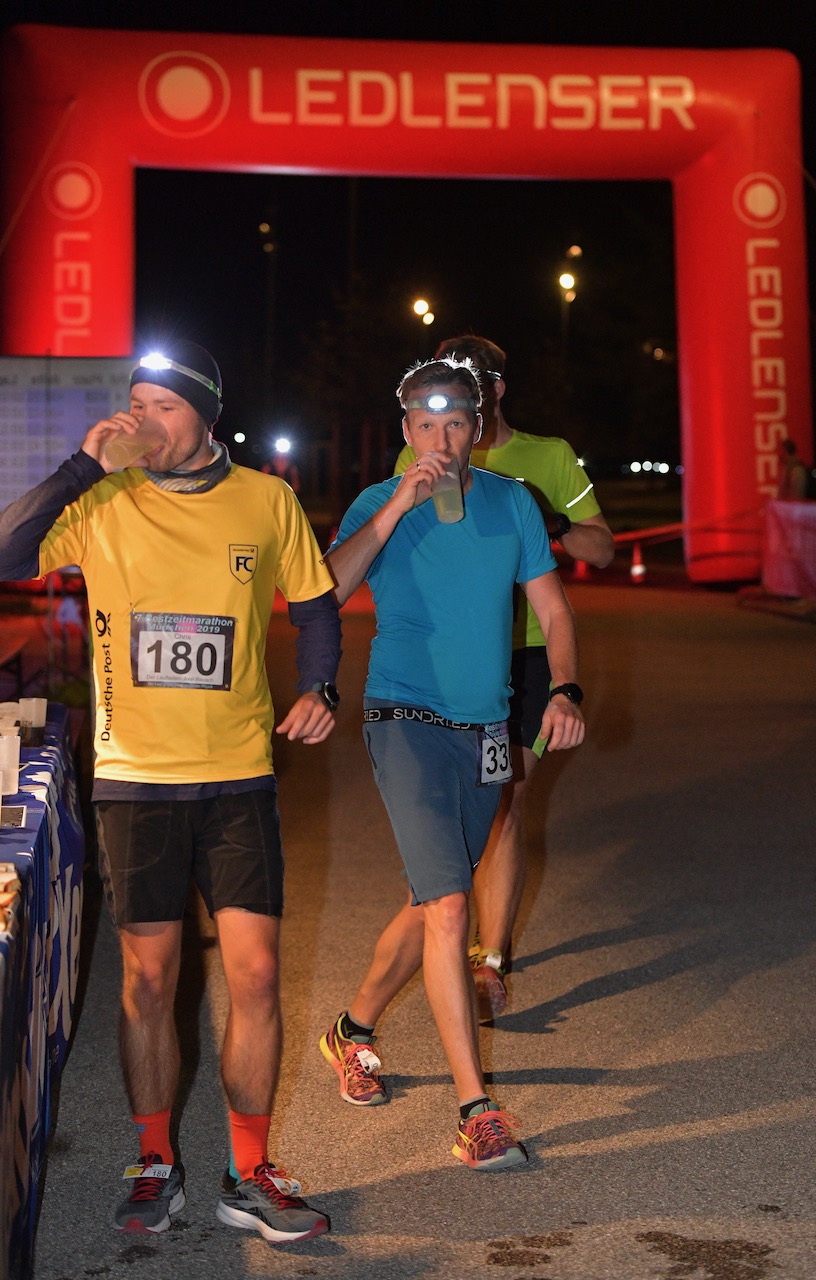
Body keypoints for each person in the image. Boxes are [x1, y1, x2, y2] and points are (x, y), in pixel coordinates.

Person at [0, 340, 341, 1244]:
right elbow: (6, 551)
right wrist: (82, 465)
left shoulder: (266, 500)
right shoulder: (103, 498)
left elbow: (314, 602)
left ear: (207, 417)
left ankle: (250, 1169)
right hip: (136, 782)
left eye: (164, 407)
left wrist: (322, 686)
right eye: (135, 403)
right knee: (150, 982)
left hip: (238, 778)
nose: (143, 421)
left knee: (257, 976)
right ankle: (156, 1162)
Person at [319, 356, 585, 1169]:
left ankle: (352, 1031)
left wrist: (566, 690)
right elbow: (325, 590)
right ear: (406, 432)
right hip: (403, 719)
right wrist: (398, 503)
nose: (442, 438)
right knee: (448, 910)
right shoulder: (379, 503)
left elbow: (552, 607)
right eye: (426, 425)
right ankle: (476, 1108)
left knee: (437, 895)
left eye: (457, 423)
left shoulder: (512, 504)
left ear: (478, 427)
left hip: (487, 727)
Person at [393, 335, 614, 1018]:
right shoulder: (418, 451)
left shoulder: (546, 456)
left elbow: (601, 547)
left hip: (520, 652)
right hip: (451, 651)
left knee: (504, 800)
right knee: (461, 809)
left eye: (476, 381)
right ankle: (445, 927)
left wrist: (543, 525)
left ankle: (489, 960)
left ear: (497, 389)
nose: (462, 394)